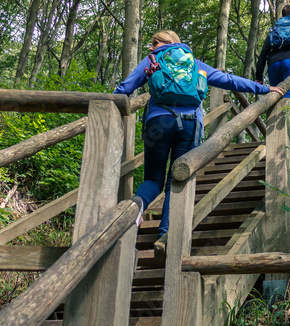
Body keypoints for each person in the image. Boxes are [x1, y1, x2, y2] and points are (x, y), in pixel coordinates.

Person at [114, 30, 281, 235]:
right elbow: (228, 80)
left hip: (158, 123)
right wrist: (264, 89)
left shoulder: (153, 59)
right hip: (190, 124)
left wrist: (105, 104)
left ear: (169, 42)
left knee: (153, 181)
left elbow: (126, 87)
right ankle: (166, 235)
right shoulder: (194, 63)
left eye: (155, 42)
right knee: (177, 180)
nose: (151, 47)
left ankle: (135, 208)